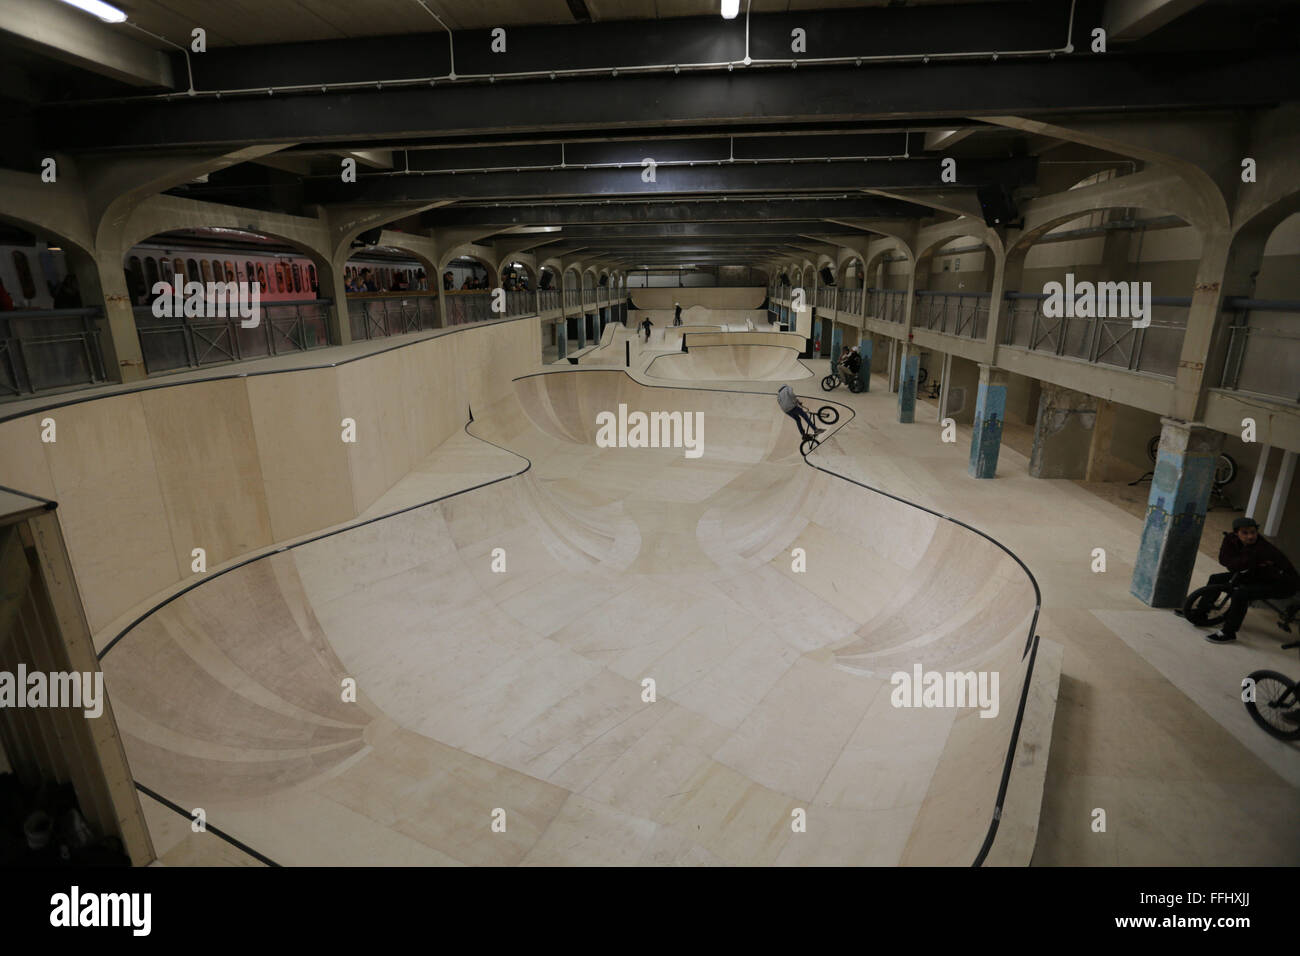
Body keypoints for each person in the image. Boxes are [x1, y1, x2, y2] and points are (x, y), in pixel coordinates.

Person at [1205, 516, 1300, 643]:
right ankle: (1201, 612)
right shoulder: (1230, 539)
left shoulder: (1262, 549)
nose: (1250, 536)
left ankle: (1228, 633)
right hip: (1256, 574)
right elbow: (1224, 559)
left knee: (1241, 593)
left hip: (1282, 584)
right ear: (1236, 533)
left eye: (1253, 532)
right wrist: (1240, 564)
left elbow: (1238, 564)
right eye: (1245, 533)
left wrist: (1239, 564)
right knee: (1216, 578)